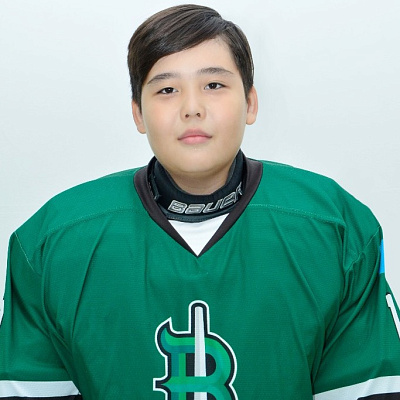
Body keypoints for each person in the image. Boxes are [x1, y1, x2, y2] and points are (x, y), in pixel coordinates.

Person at [0, 4, 399, 399]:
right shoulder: (51, 242)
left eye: (214, 85)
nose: (192, 108)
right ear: (138, 113)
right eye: (167, 90)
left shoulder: (336, 228)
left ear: (251, 102)